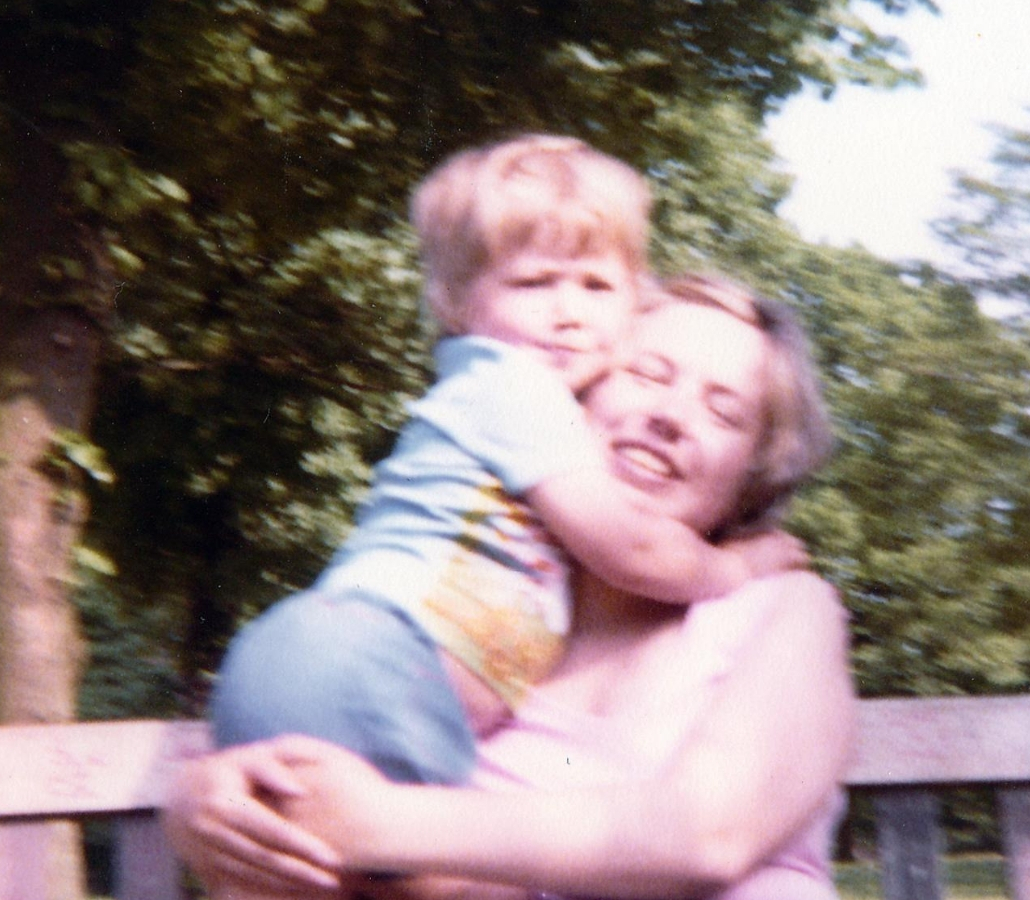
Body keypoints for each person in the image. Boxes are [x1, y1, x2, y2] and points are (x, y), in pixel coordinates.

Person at [165, 274, 856, 900]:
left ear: (752, 478)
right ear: (573, 394)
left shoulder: (784, 610)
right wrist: (215, 805)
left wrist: (372, 822)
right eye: (647, 374)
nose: (671, 416)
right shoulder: (467, 629)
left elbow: (708, 835)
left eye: (724, 412)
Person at [211, 134, 803, 801]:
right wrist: (737, 567)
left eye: (597, 286)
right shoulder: (510, 386)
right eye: (534, 283)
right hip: (370, 667)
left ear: (632, 302)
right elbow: (632, 547)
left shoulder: (532, 417)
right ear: (459, 305)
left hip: (357, 677)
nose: (569, 313)